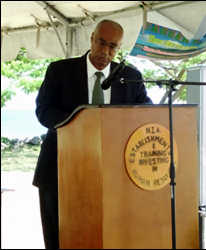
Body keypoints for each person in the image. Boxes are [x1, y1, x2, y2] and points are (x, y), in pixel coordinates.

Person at [32, 19, 152, 249]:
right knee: (60, 238)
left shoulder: (132, 77)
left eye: (113, 47)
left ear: (119, 48)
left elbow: (146, 116)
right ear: (92, 38)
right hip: (59, 170)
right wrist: (80, 126)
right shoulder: (59, 71)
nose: (105, 51)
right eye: (101, 43)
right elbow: (44, 111)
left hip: (114, 176)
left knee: (107, 236)